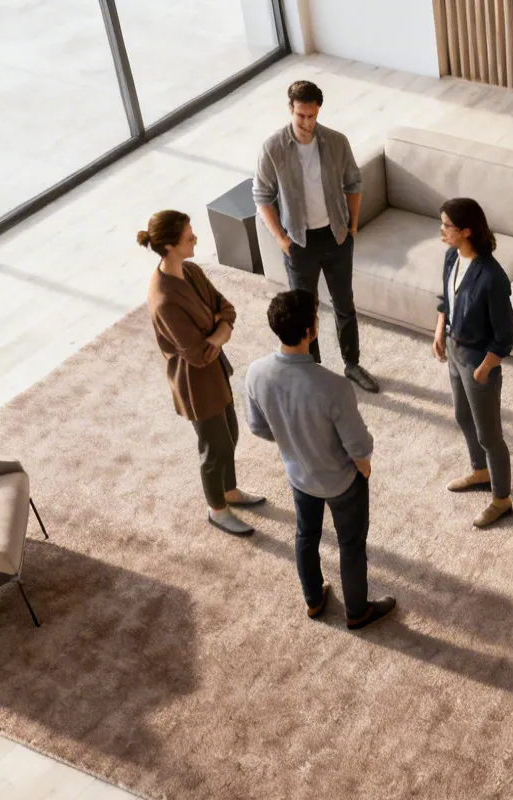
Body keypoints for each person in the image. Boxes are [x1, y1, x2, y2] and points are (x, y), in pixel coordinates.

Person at [245, 290, 398, 630]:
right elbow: (359, 445)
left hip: (298, 476)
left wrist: (293, 442)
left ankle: (314, 600)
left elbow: (258, 427)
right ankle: (357, 612)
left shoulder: (255, 373)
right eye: (315, 318)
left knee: (306, 535)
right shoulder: (333, 386)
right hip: (342, 481)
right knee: (351, 545)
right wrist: (364, 469)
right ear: (309, 332)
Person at [140, 209, 265, 536]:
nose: (196, 239)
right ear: (169, 246)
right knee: (214, 447)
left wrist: (217, 333)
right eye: (189, 237)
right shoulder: (164, 297)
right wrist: (220, 331)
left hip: (215, 370)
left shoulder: (191, 270)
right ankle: (217, 509)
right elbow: (196, 354)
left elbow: (227, 308)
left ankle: (229, 491)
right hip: (196, 382)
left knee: (232, 432)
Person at [252, 80, 379, 395]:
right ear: (291, 110)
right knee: (304, 312)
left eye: (312, 115)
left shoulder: (336, 142)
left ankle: (351, 363)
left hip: (335, 236)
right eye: (301, 116)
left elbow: (353, 181)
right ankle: (314, 370)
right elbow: (262, 196)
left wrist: (351, 227)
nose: (307, 122)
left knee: (344, 304)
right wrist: (282, 239)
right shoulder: (273, 149)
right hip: (299, 242)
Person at [433, 197, 513, 529]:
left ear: (466, 231)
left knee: (490, 435)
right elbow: (446, 300)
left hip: (478, 361)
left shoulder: (492, 278)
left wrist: (485, 368)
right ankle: (479, 472)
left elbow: (507, 335)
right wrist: (439, 331)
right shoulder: (451, 256)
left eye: (446, 225)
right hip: (454, 349)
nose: (441, 230)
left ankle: (502, 500)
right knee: (461, 415)